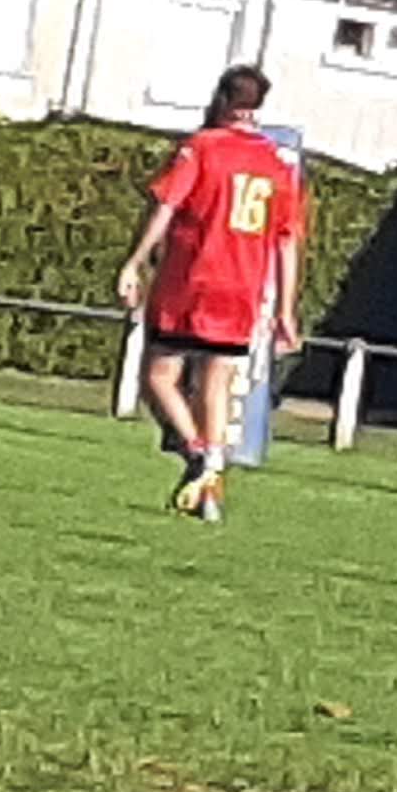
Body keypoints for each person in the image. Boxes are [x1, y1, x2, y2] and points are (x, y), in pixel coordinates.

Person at [119, 67, 307, 523]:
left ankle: (198, 454)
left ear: (222, 98)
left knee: (159, 376)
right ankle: (211, 487)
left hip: (193, 280)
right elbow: (287, 241)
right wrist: (285, 309)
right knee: (216, 382)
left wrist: (134, 261)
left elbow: (167, 205)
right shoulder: (278, 163)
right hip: (244, 288)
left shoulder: (202, 147)